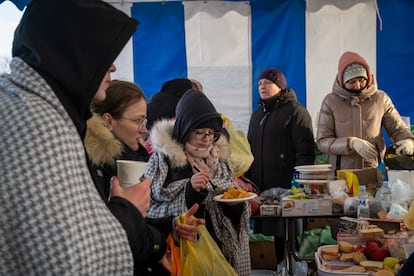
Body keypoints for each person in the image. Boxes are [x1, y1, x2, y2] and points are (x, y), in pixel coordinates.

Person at [0, 1, 202, 275]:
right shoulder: (37, 125)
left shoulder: (32, 109)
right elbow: (68, 261)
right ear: (74, 55)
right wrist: (129, 210)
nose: (113, 69)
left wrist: (164, 229)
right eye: (102, 56)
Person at [85, 79, 204, 275]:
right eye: (137, 120)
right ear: (108, 121)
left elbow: (139, 219)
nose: (144, 129)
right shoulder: (93, 166)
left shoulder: (137, 156)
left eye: (144, 121)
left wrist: (174, 225)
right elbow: (117, 234)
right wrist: (157, 245)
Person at [146, 90, 252, 276]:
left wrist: (234, 206)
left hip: (218, 251)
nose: (207, 139)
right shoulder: (164, 161)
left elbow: (226, 206)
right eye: (199, 132)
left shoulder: (219, 161)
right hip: (181, 252)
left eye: (211, 133)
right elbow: (152, 207)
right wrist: (189, 189)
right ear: (185, 131)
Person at [245, 68, 315, 266]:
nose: (262, 86)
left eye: (267, 82)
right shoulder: (257, 115)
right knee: (275, 235)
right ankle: (281, 269)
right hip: (264, 187)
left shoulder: (296, 111)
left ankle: (293, 269)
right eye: (259, 83)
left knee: (289, 235)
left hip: (287, 187)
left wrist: (300, 186)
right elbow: (250, 151)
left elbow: (305, 151)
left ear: (280, 86)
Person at [316, 51, 414, 172]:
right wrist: (350, 143)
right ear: (342, 81)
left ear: (368, 77)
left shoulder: (380, 99)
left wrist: (408, 140)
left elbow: (397, 129)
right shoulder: (330, 101)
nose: (357, 86)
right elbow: (322, 141)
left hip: (374, 171)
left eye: (361, 79)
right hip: (341, 175)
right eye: (351, 82)